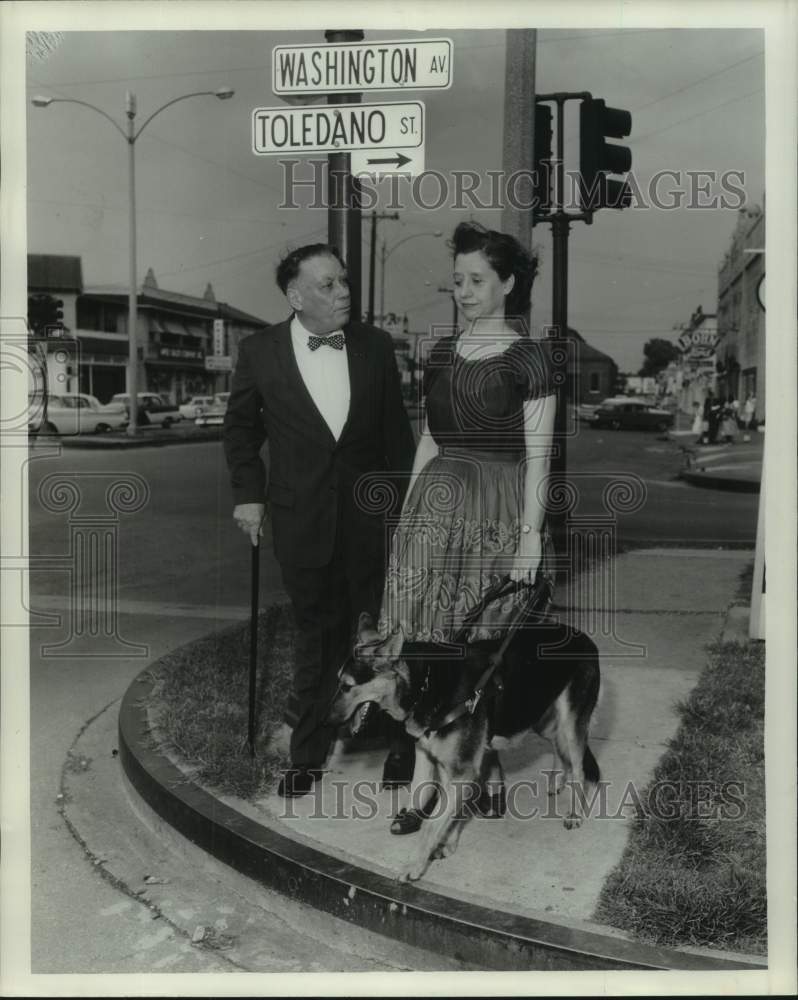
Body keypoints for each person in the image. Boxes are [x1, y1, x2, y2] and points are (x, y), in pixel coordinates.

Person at [223, 244, 416, 797]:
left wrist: (406, 513)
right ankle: (306, 754)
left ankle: (401, 747)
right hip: (301, 520)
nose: (343, 292)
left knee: (388, 638)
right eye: (328, 285)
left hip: (370, 522)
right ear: (295, 295)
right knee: (315, 638)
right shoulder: (259, 351)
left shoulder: (376, 347)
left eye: (344, 282)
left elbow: (395, 438)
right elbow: (240, 432)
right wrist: (248, 496)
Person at [379, 222, 556, 822]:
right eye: (458, 280)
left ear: (508, 283)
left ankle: (483, 762)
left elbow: (539, 456)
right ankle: (426, 780)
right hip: (435, 509)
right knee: (424, 641)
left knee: (478, 644)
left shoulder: (531, 359)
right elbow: (430, 437)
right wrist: (408, 512)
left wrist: (530, 538)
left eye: (477, 279)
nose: (465, 290)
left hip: (496, 513)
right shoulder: (441, 353)